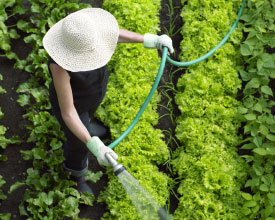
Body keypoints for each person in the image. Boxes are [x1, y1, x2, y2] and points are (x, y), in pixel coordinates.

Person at [42, 8, 174, 195]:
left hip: (94, 90)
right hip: (75, 104)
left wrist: (152, 40)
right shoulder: (58, 64)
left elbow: (115, 34)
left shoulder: (86, 29)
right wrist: (93, 144)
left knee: (90, 112)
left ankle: (88, 124)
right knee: (77, 144)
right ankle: (76, 175)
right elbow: (69, 113)